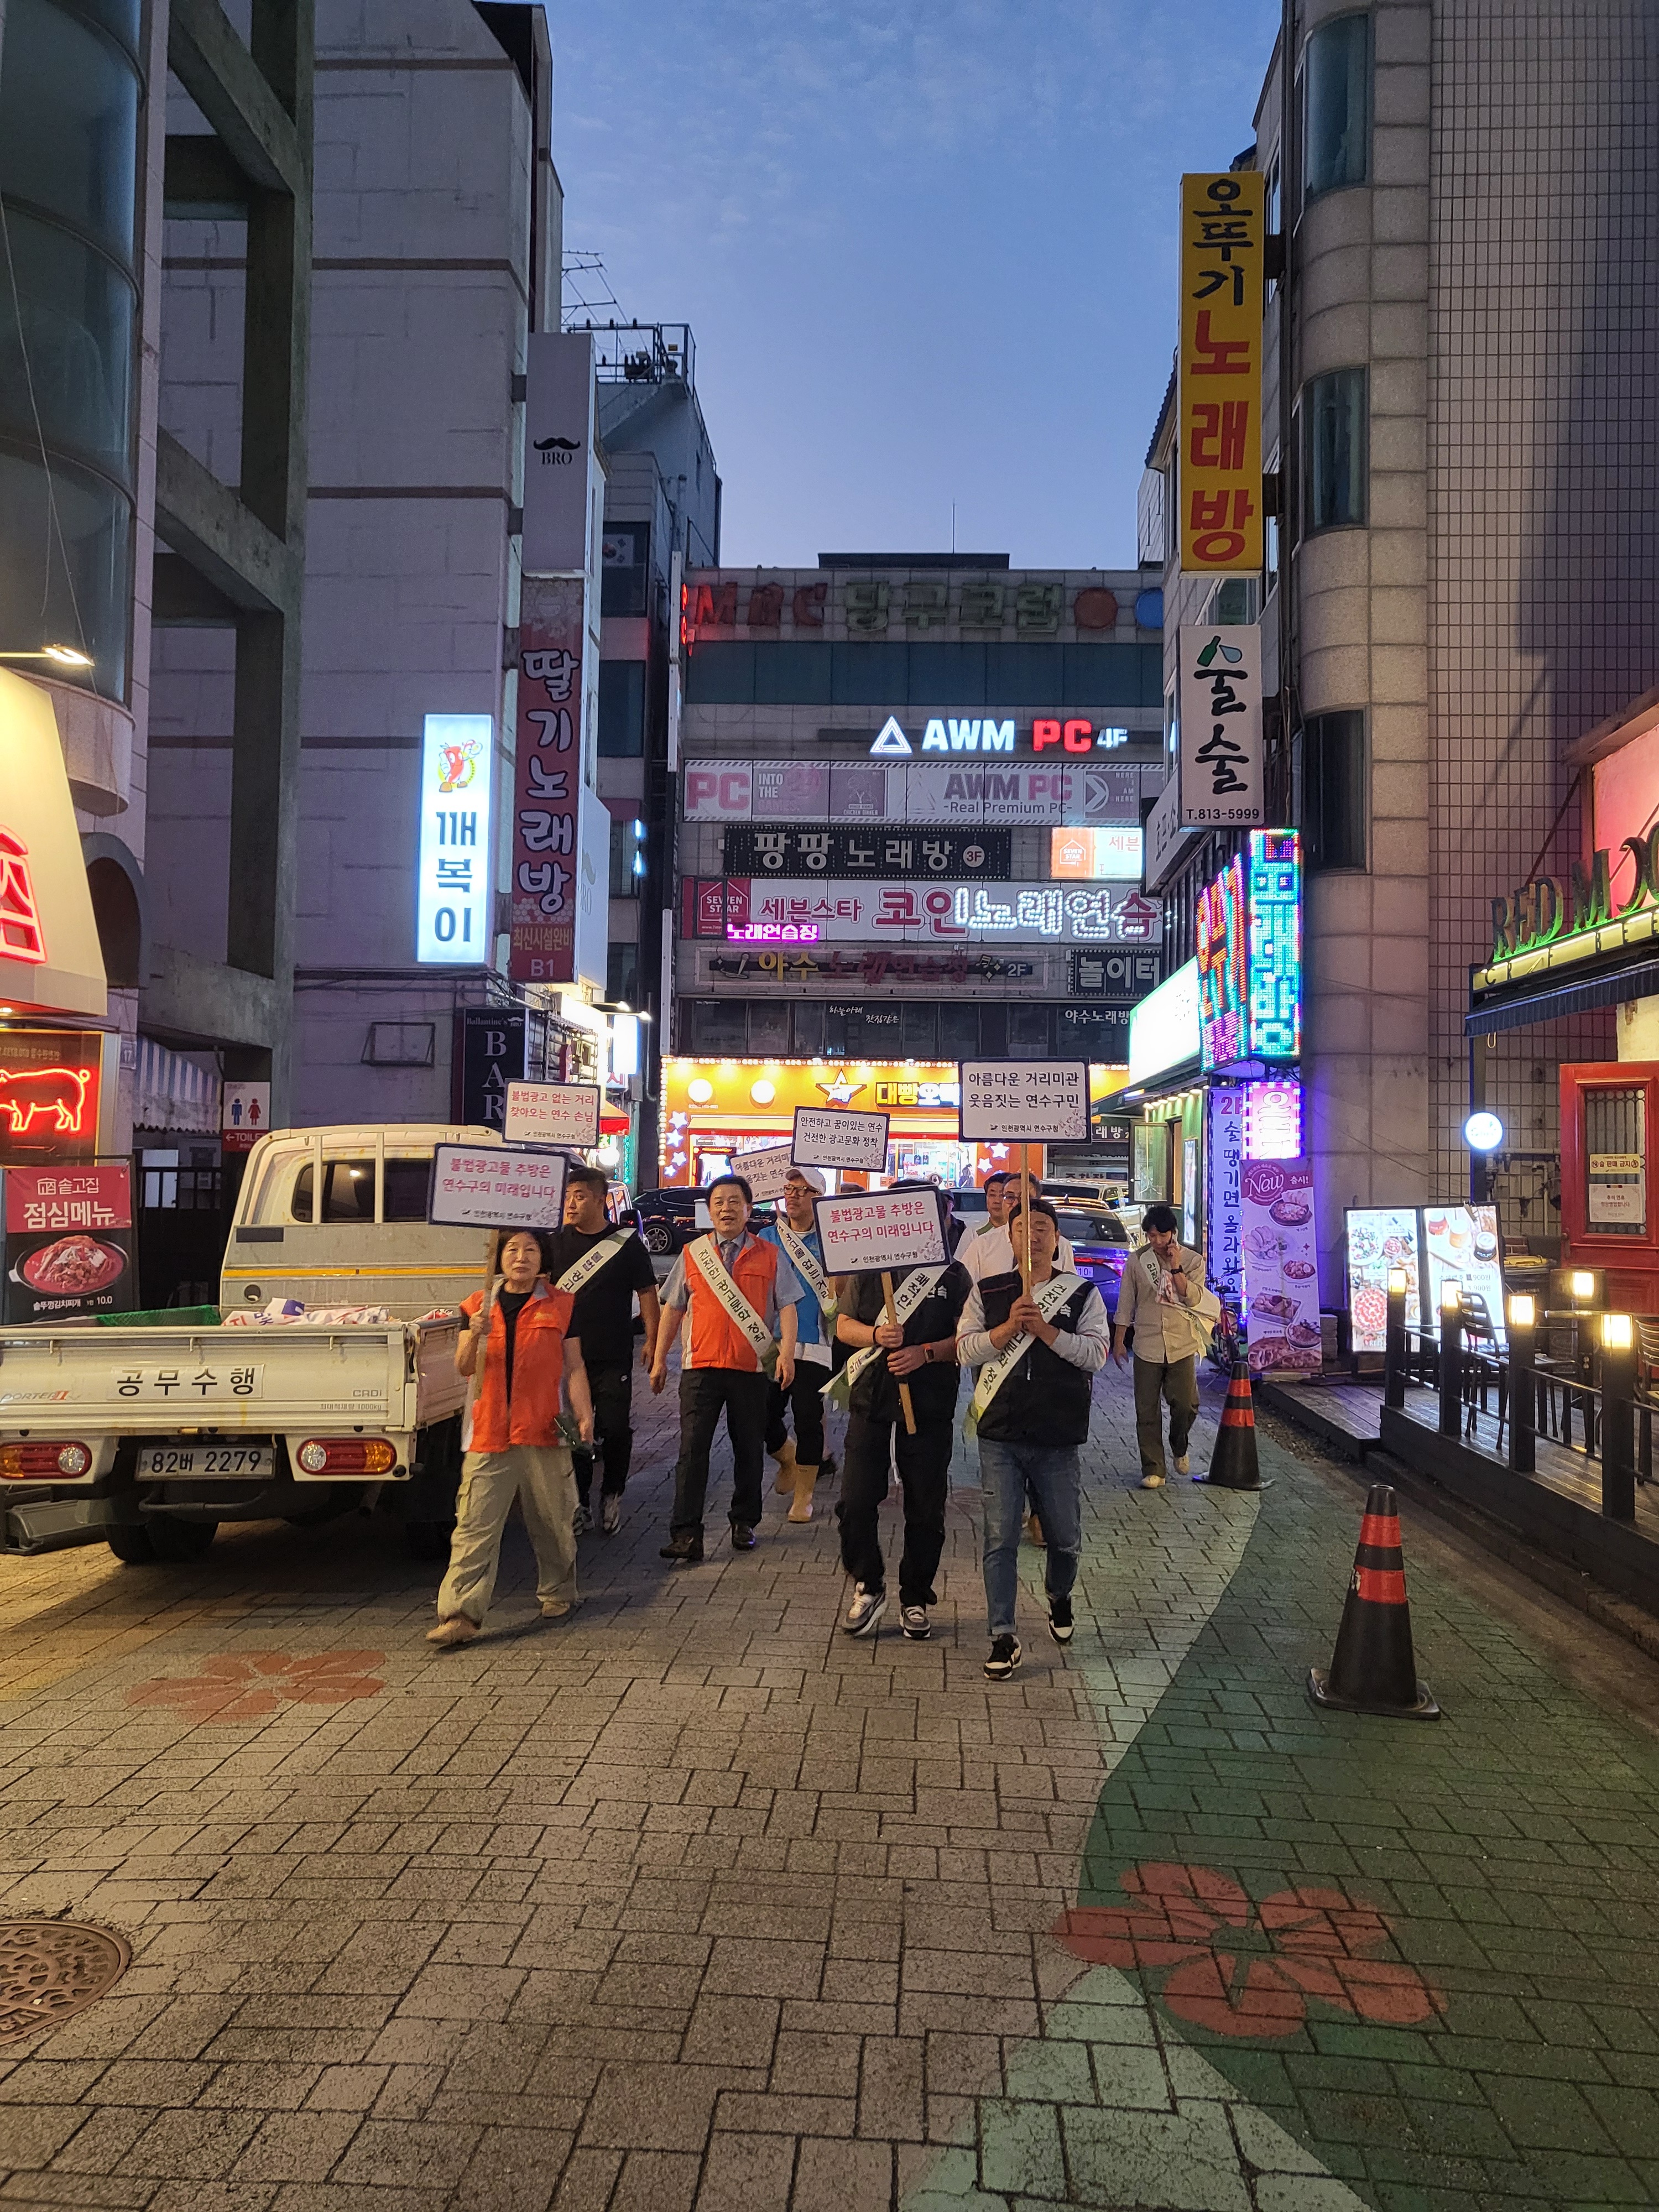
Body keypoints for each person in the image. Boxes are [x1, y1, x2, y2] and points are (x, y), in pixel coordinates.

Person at [957, 1197, 1109, 1679]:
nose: (1034, 1236)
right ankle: (1003, 1635)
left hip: (1058, 1435)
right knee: (1000, 1539)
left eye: (1044, 1227)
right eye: (1025, 1227)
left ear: (1056, 1238)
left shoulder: (1083, 1294)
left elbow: (1096, 1354)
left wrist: (1044, 1331)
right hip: (1000, 1434)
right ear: (1011, 1236)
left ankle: (1059, 1598)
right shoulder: (988, 1290)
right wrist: (1006, 1330)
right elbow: (965, 1349)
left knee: (1065, 1539)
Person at [427, 1227, 594, 1649]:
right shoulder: (476, 1305)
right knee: (473, 1526)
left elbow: (574, 1367)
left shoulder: (563, 1305)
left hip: (545, 1429)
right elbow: (465, 1367)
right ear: (499, 1258)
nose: (521, 1257)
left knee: (553, 1522)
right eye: (513, 1249)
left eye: (531, 1249)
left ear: (544, 1259)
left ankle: (558, 1591)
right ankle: (460, 1613)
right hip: (489, 1434)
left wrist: (585, 1414)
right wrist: (476, 1334)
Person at [833, 1187, 971, 1641]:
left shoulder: (954, 1276)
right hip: (871, 1397)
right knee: (855, 1500)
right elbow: (844, 1325)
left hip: (929, 1401)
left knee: (926, 1505)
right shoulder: (869, 1269)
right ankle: (868, 1585)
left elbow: (969, 1339)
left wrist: (926, 1353)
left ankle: (915, 1595)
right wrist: (875, 1334)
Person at [650, 1173, 802, 1560]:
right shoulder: (693, 1253)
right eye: (718, 1202)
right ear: (709, 1209)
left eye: (735, 1201)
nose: (726, 1209)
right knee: (692, 1451)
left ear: (749, 1209)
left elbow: (786, 1304)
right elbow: (673, 1307)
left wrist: (785, 1353)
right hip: (700, 1367)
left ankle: (745, 1521)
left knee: (748, 1448)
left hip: (750, 1368)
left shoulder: (769, 1255)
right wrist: (658, 1357)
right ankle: (686, 1534)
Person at [546, 1164, 660, 1536]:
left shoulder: (626, 1243)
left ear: (601, 1200)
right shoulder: (555, 1243)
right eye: (567, 1197)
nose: (571, 1204)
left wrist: (654, 1343)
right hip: (565, 1357)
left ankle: (612, 1492)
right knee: (576, 1431)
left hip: (612, 1353)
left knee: (613, 1428)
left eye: (579, 1197)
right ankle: (578, 1503)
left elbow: (647, 1293)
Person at [1111, 1202, 1209, 1490]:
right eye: (1151, 1236)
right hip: (1147, 1343)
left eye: (1161, 1236)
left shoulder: (1193, 1261)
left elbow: (1192, 1298)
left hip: (1181, 1342)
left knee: (1186, 1404)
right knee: (1147, 1408)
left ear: (1173, 1233)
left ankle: (1179, 1445)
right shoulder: (1137, 1261)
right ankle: (1154, 1467)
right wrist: (1118, 1341)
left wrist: (1175, 1265)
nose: (1156, 1242)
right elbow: (1126, 1301)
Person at [760, 1165, 837, 1522]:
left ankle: (804, 1496)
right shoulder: (766, 1237)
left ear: (819, 1198)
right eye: (790, 1188)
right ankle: (786, 1459)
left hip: (816, 1343)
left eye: (803, 1190)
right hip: (770, 1343)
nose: (793, 1195)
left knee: (808, 1418)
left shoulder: (834, 1241)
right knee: (762, 1416)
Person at [959, 1169, 1076, 1282]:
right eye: (1010, 1197)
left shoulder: (1060, 1245)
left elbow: (1072, 1289)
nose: (1016, 1204)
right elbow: (964, 1289)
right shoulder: (982, 1245)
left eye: (1025, 1198)